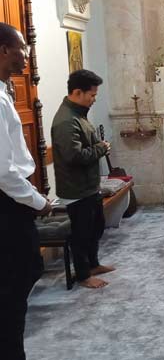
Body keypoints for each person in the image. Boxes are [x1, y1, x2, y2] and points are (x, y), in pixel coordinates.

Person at [0, 22, 52, 360]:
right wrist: (38, 202)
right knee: (12, 291)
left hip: (11, 203)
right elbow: (4, 171)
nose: (26, 54)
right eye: (22, 47)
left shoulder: (4, 93)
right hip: (7, 208)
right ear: (4, 50)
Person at [51, 69, 114, 289]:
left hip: (89, 186)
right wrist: (101, 148)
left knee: (96, 227)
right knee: (81, 233)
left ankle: (93, 264)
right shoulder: (66, 121)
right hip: (76, 189)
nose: (94, 99)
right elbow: (75, 156)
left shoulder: (78, 114)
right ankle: (83, 275)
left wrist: (98, 146)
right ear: (78, 92)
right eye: (92, 95)